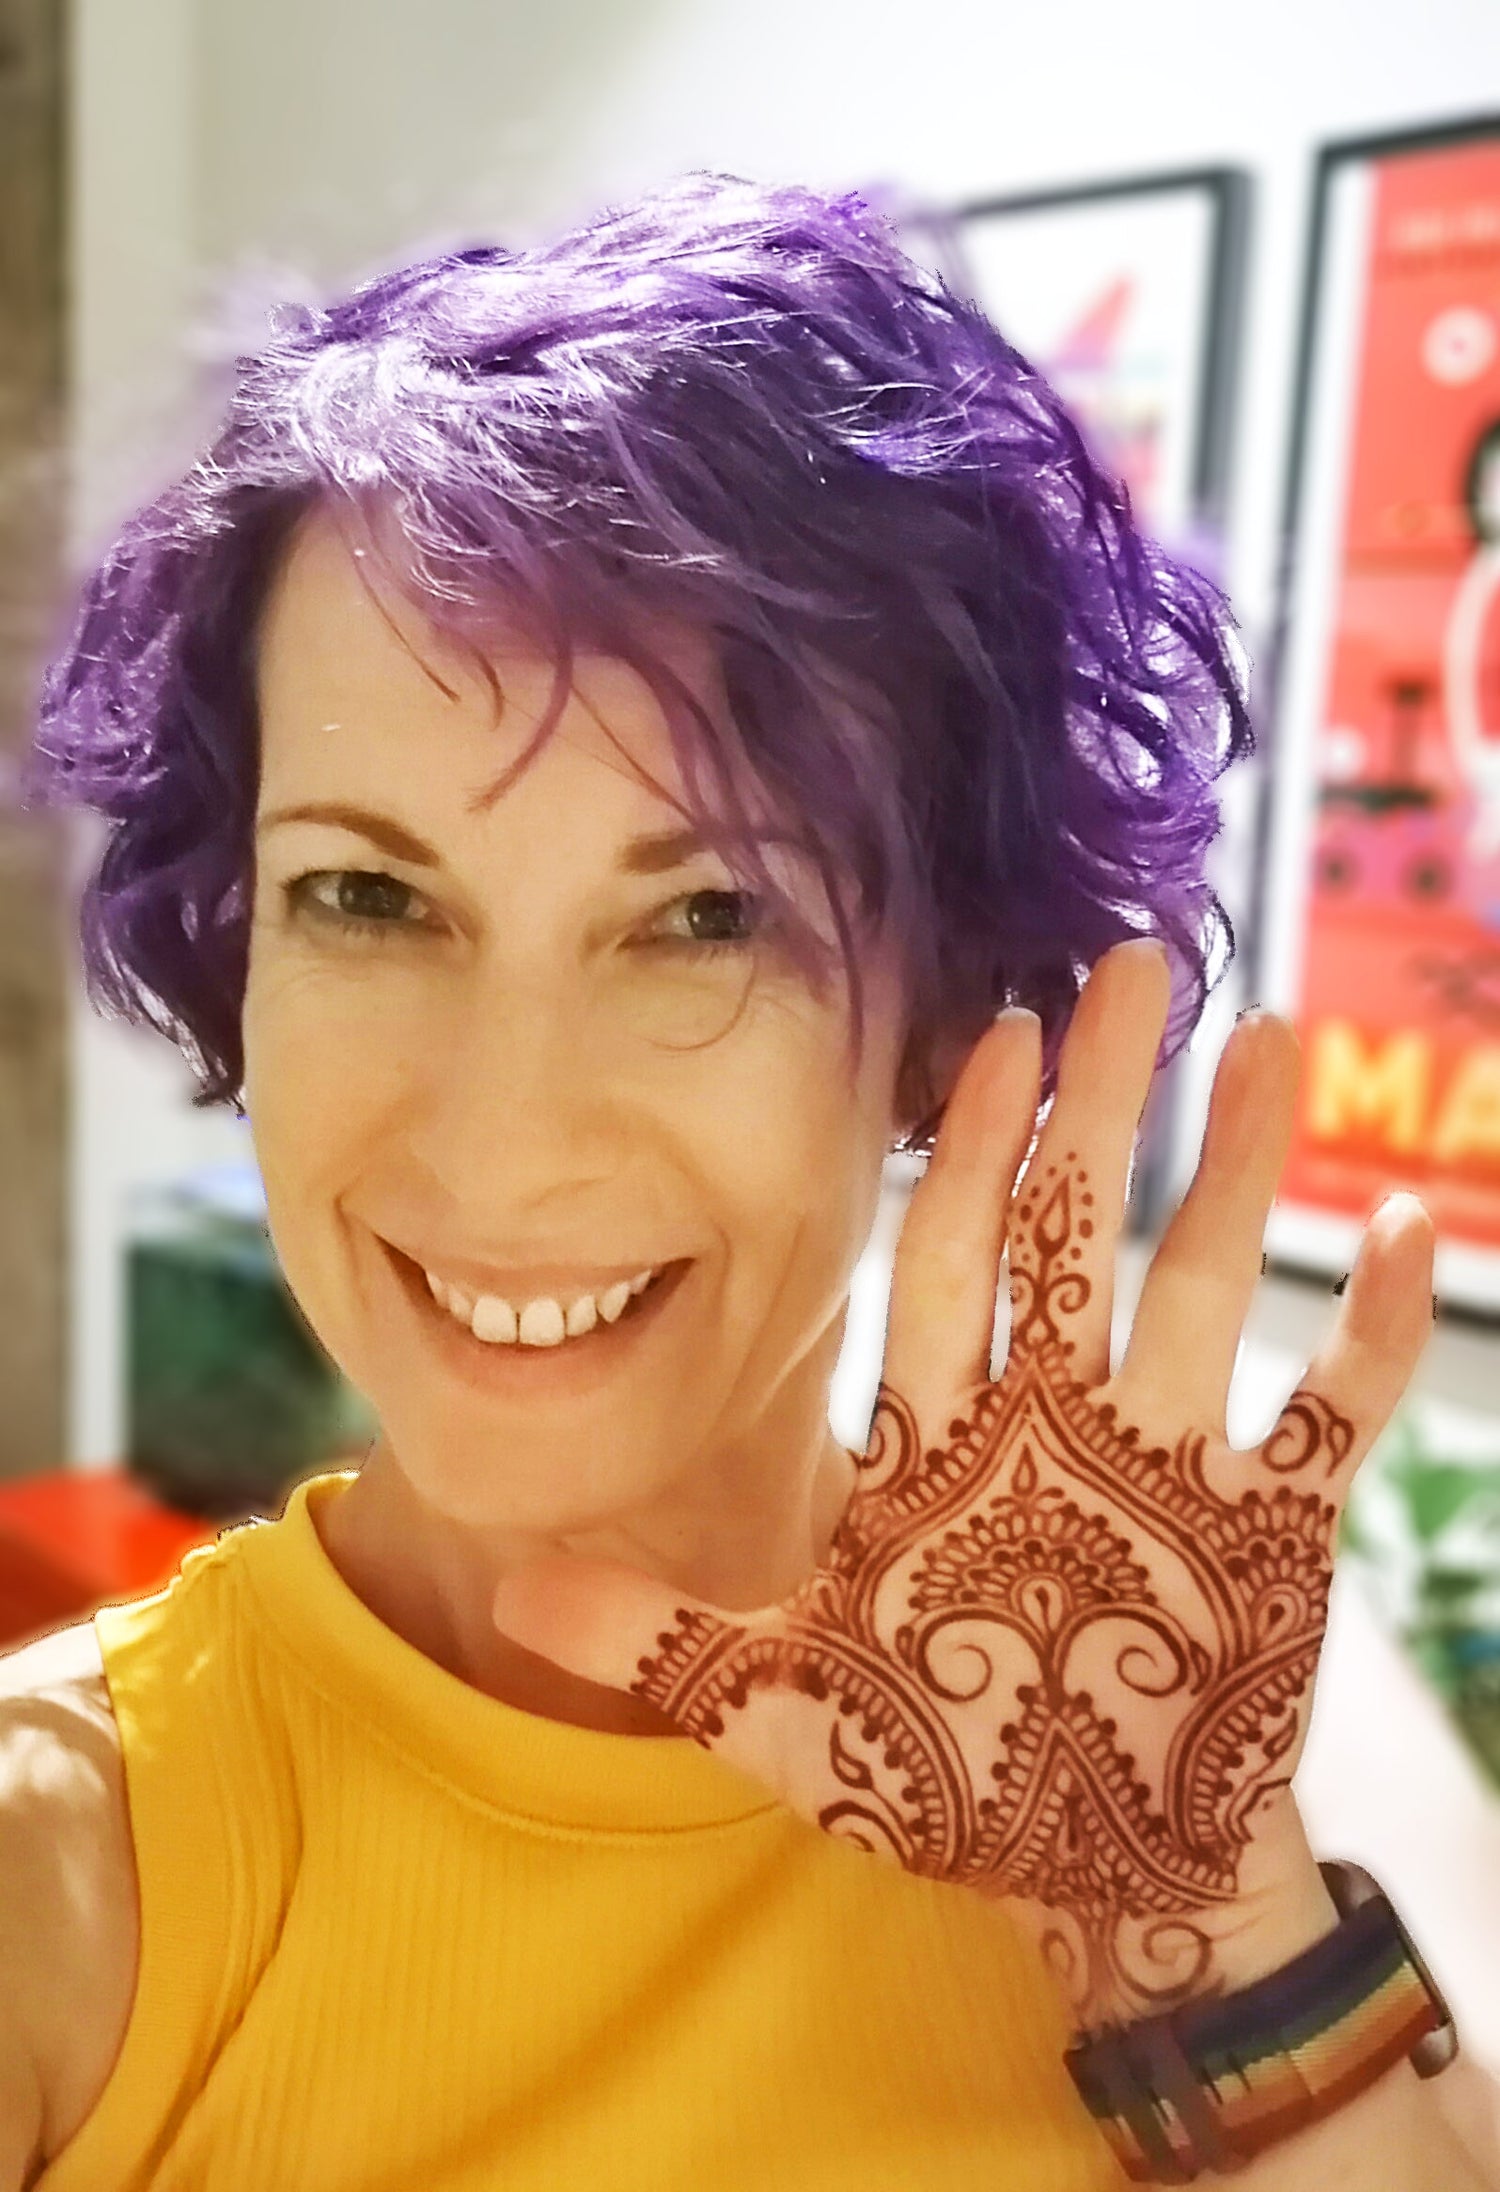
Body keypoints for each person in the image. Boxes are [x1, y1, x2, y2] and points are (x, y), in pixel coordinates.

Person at [2, 172, 1495, 2190]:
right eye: (366, 894)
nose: (501, 1144)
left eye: (707, 916)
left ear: (938, 1013)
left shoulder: (1093, 1789)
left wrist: (1204, 1936)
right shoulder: (71, 1877)